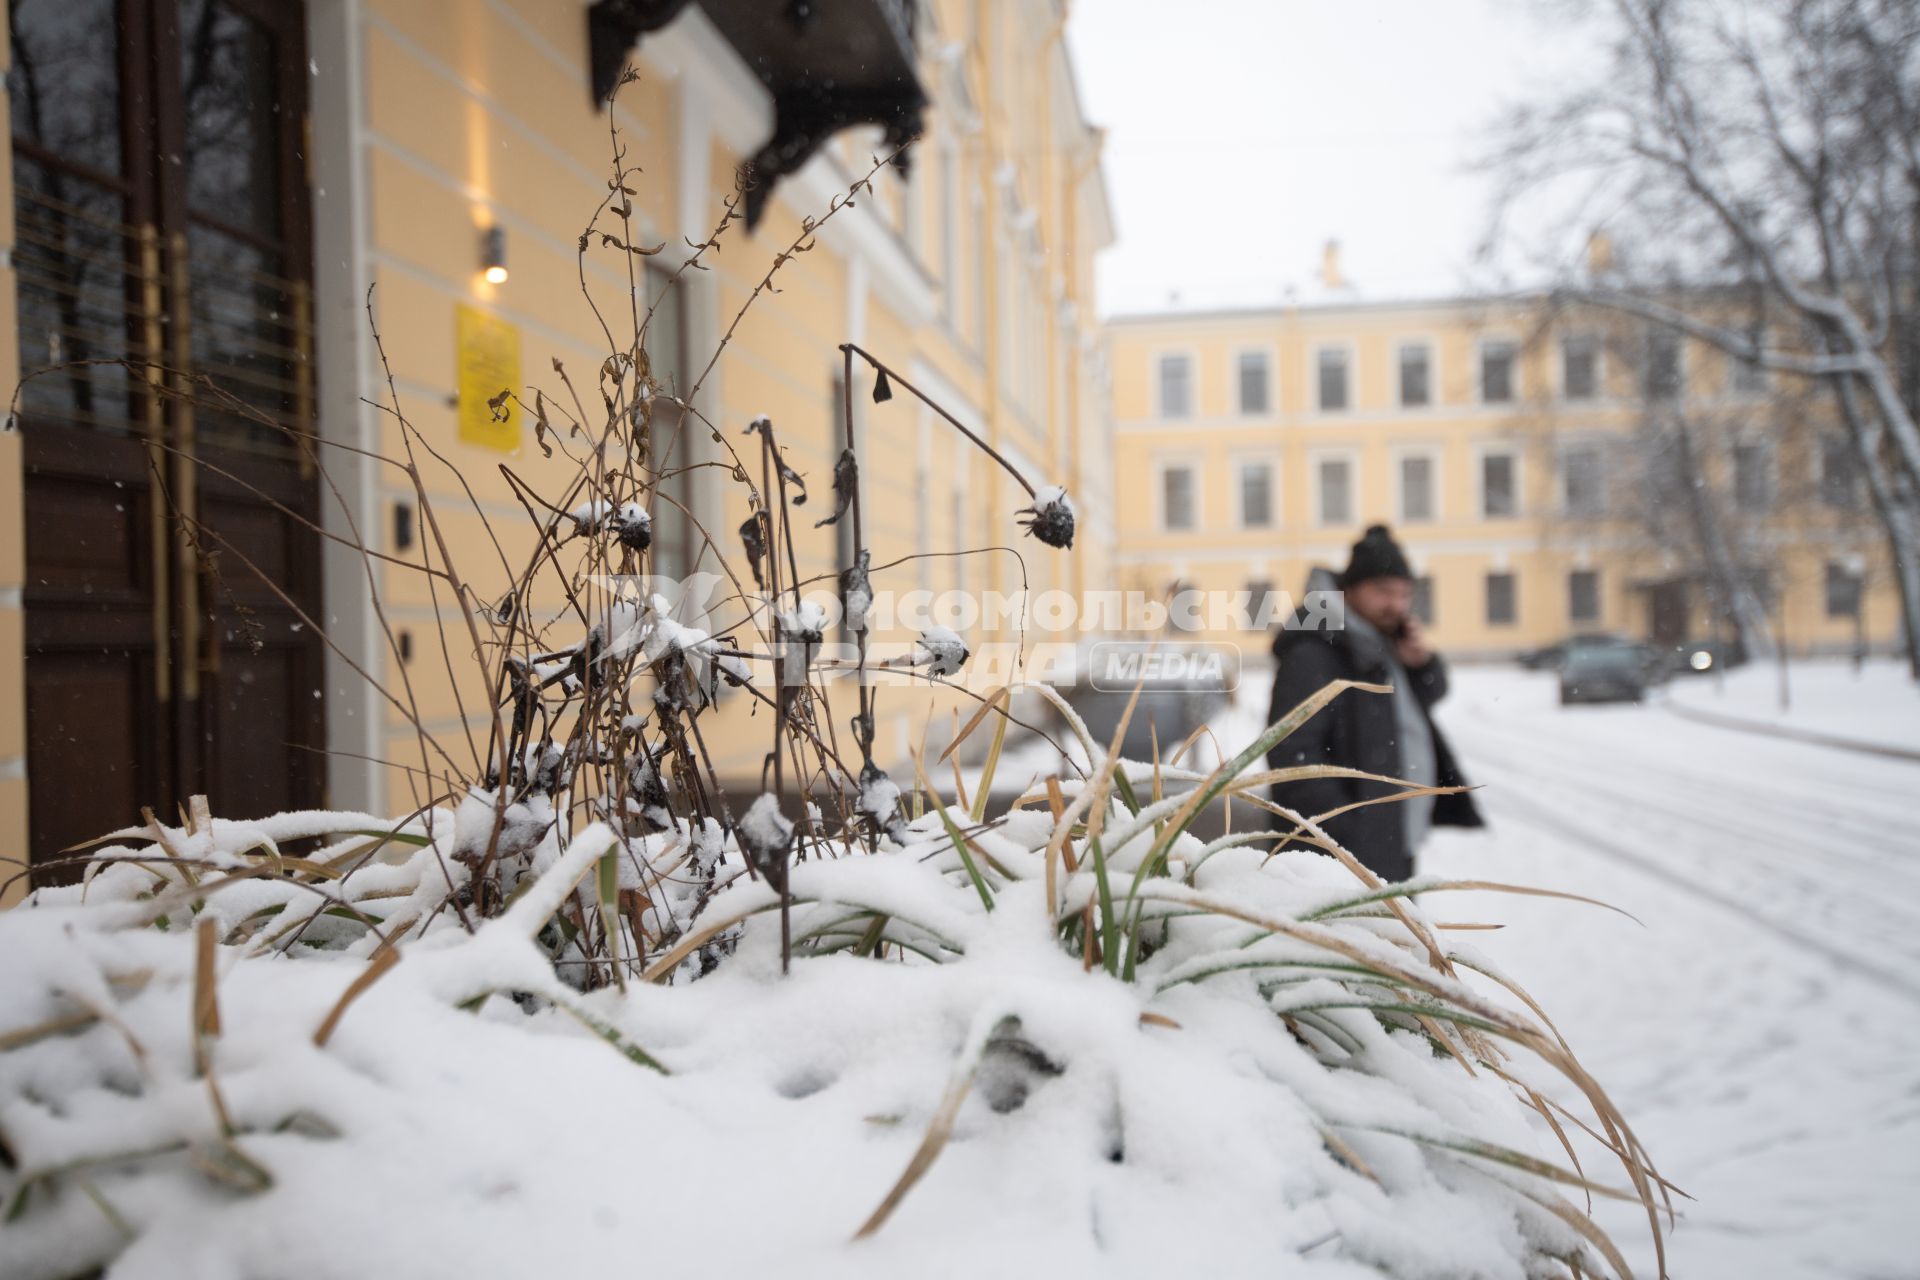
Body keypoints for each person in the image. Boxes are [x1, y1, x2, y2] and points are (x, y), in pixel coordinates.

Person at [1266, 524, 1482, 880]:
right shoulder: (1316, 653)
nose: (1395, 605)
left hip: (1389, 843)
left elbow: (1426, 698)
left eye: (1403, 594)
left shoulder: (1380, 642)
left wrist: (1421, 664)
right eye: (1383, 591)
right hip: (1339, 862)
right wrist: (1355, 831)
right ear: (1349, 591)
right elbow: (1293, 758)